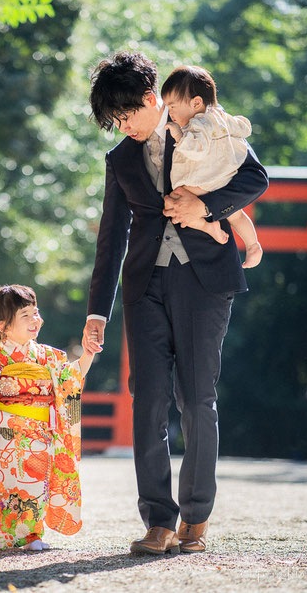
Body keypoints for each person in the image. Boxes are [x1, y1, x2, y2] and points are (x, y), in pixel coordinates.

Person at [84, 52, 268, 555]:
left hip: (205, 281)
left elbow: (256, 179)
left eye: (126, 117)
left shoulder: (201, 126)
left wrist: (206, 207)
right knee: (146, 399)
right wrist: (97, 313)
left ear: (151, 100)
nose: (124, 128)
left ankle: (197, 517)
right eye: (114, 123)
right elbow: (110, 237)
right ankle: (158, 520)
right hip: (144, 286)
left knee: (196, 397)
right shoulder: (120, 159)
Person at [0, 285, 97, 550]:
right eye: (26, 315)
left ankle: (31, 535)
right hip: (1, 435)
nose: (36, 319)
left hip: (39, 432)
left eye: (36, 313)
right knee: (1, 483)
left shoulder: (50, 356)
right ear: (3, 325)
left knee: (34, 485)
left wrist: (88, 353)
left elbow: (71, 381)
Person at [161, 65, 262, 268]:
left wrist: (179, 136)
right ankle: (253, 245)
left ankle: (210, 229)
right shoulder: (220, 117)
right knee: (237, 215)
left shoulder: (199, 124)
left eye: (172, 106)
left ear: (196, 102)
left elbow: (197, 148)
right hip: (221, 179)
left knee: (172, 205)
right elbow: (241, 127)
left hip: (202, 183)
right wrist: (242, 124)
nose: (170, 113)